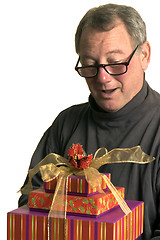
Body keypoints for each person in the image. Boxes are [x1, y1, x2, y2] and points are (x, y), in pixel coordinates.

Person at [18, 4, 160, 240]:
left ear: (144, 55)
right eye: (90, 65)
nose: (103, 78)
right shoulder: (66, 123)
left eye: (115, 63)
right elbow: (30, 203)